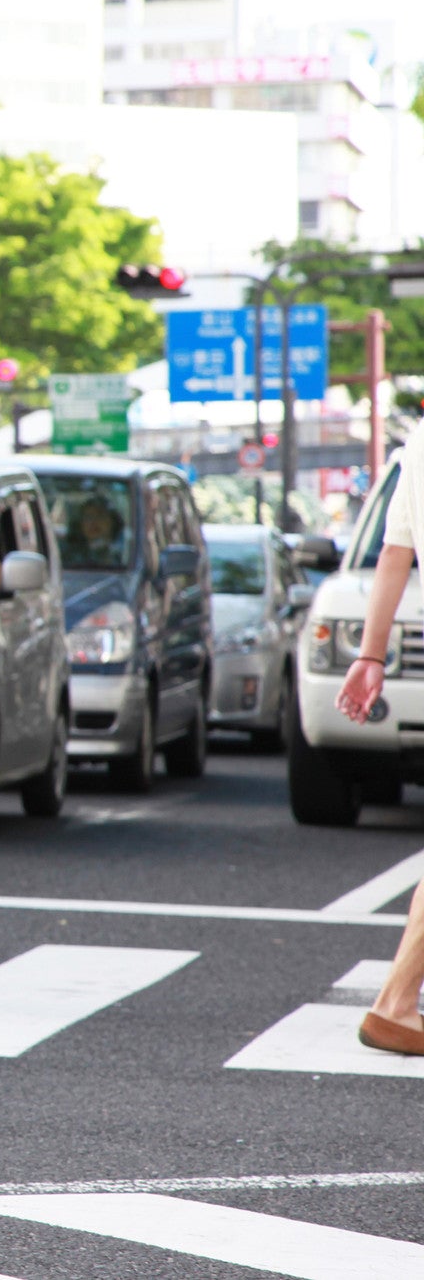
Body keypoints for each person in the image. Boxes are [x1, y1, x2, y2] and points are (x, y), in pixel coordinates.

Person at [337, 430, 424, 1056]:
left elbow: (396, 552)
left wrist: (371, 654)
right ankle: (394, 1001)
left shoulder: (418, 446)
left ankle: (396, 1001)